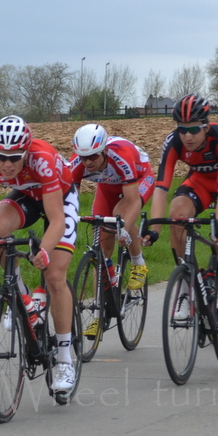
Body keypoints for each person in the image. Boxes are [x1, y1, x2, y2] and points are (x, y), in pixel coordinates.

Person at [0, 115, 79, 392]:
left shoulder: (42, 159)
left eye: (15, 157)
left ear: (27, 151)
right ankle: (23, 297)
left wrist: (44, 251)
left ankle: (66, 359)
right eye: (1, 157)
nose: (7, 164)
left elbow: (56, 220)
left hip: (61, 198)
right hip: (28, 196)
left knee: (55, 275)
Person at [143, 94, 218, 346]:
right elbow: (161, 188)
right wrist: (154, 228)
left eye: (193, 130)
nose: (187, 136)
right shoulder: (173, 142)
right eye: (182, 129)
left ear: (205, 125)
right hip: (200, 183)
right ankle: (185, 289)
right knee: (177, 214)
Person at [70, 124, 156, 336]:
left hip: (140, 179)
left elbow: (133, 201)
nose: (88, 163)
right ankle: (99, 316)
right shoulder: (77, 164)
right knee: (102, 246)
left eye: (93, 157)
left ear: (105, 151)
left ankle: (138, 263)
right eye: (83, 158)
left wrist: (125, 229)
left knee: (120, 216)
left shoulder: (121, 155)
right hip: (107, 188)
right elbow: (69, 199)